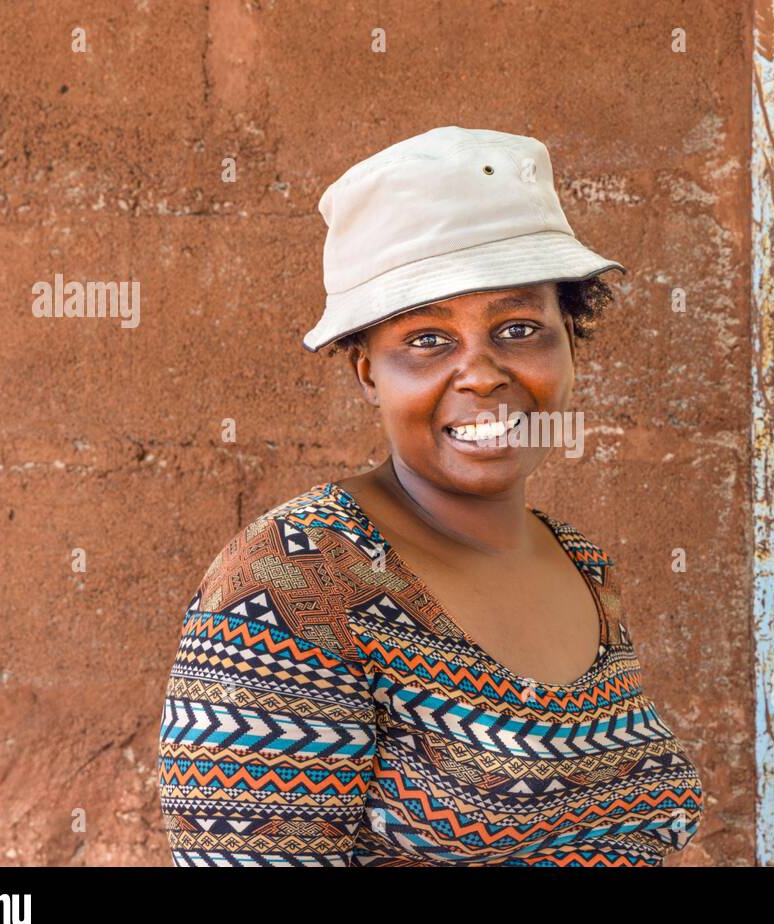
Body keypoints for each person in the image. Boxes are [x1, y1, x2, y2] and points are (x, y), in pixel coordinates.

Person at [157, 126, 704, 865]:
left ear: (570, 344)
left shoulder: (581, 565)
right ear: (366, 372)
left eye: (519, 328)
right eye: (426, 340)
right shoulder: (291, 580)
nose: (481, 374)